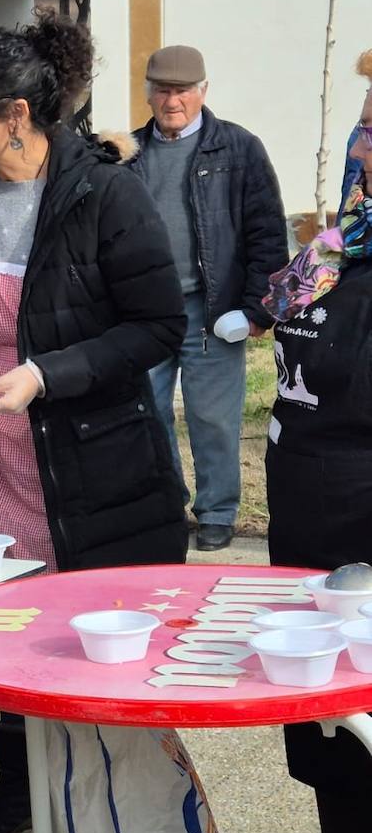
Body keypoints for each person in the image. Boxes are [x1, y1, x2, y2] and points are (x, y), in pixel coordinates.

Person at [0, 12, 188, 833]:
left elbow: (156, 326)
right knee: (10, 631)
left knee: (98, 639)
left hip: (92, 458)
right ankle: (17, 788)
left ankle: (123, 808)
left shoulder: (106, 192)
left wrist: (44, 375)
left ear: (16, 115)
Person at [262, 57, 372, 833]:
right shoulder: (331, 250)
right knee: (329, 744)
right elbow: (270, 315)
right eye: (366, 123)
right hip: (304, 531)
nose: (365, 142)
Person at [126, 46, 287, 552]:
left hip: (212, 310)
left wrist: (258, 309)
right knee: (146, 412)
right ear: (149, 93)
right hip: (147, 311)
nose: (173, 100)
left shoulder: (238, 149)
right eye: (163, 90)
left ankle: (218, 510)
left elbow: (266, 233)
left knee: (213, 416)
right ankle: (163, 504)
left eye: (183, 90)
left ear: (203, 91)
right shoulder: (127, 153)